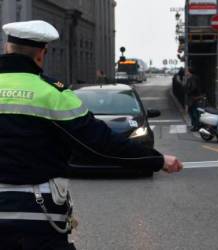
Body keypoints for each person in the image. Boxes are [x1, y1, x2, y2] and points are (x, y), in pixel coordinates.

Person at [0, 20, 183, 250]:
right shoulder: (52, 93)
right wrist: (157, 160)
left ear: (7, 48)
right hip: (37, 215)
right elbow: (100, 144)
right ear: (40, 54)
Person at [185, 67, 202, 132]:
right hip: (195, 97)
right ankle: (196, 125)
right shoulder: (195, 77)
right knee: (194, 111)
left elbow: (193, 87)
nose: (186, 73)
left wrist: (188, 92)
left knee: (193, 112)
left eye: (187, 71)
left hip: (192, 98)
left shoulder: (191, 79)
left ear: (189, 72)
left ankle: (196, 126)